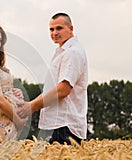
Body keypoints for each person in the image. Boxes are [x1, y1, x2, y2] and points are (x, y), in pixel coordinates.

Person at [17, 13, 88, 145]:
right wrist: (29, 105)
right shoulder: (63, 52)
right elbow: (51, 90)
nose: (54, 32)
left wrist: (31, 107)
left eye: (59, 28)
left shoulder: (72, 53)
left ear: (71, 28)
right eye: (51, 29)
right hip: (56, 125)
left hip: (64, 125)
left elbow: (62, 91)